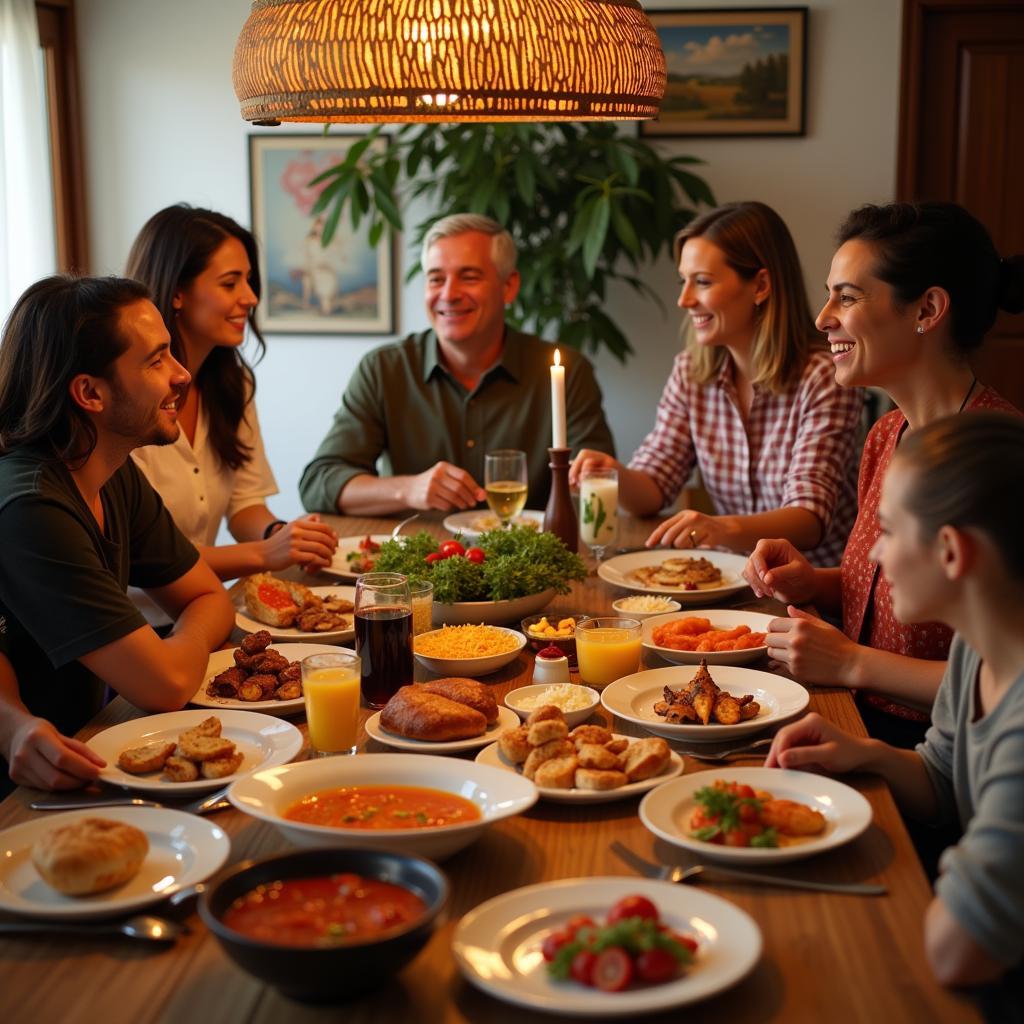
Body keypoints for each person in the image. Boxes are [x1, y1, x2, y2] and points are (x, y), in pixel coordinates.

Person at [745, 202, 1023, 746]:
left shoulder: (1000, 461)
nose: (823, 317)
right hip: (850, 720)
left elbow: (1012, 683)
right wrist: (818, 584)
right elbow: (891, 594)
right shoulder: (886, 435)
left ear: (928, 309)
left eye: (846, 297)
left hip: (938, 756)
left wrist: (851, 662)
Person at [765, 411, 1024, 996]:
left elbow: (960, 952)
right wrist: (869, 754)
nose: (874, 555)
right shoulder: (977, 650)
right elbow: (941, 777)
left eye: (887, 530)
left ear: (952, 553)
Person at [0, 275, 235, 791]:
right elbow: (165, 685)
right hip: (29, 793)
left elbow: (207, 595)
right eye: (155, 360)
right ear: (90, 393)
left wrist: (178, 645)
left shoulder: (109, 469)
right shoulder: (33, 507)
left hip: (90, 751)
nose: (181, 375)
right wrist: (179, 648)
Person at [569, 201, 863, 566]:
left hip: (815, 593)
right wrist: (612, 472)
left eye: (703, 282)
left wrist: (721, 529)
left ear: (760, 285)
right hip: (734, 581)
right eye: (684, 281)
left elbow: (809, 519)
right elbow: (654, 487)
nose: (684, 299)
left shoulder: (823, 377)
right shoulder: (691, 373)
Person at [299, 213, 615, 515]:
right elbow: (319, 483)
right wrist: (409, 489)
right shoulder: (384, 369)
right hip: (416, 563)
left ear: (509, 286)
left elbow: (599, 485)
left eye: (469, 277)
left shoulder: (566, 372)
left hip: (529, 564)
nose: (448, 294)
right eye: (436, 279)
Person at [126, 205, 338, 589]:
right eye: (230, 283)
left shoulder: (233, 385)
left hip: (199, 604)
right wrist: (266, 552)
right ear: (176, 293)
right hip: (133, 622)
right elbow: (142, 555)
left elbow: (244, 504)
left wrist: (281, 533)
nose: (251, 297)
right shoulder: (128, 396)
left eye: (249, 280)